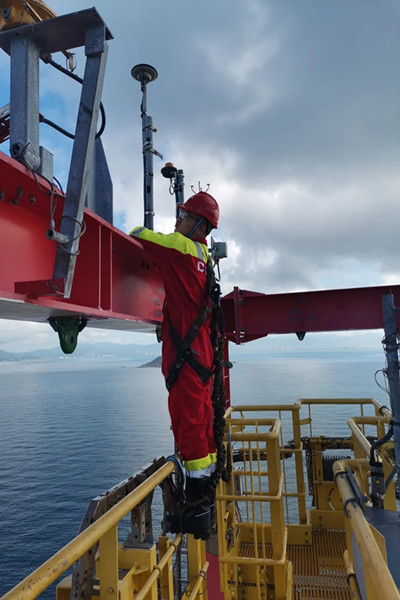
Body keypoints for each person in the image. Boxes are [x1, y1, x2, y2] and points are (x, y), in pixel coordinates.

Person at [130, 191, 220, 540]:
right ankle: (205, 489)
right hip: (201, 355)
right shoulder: (204, 259)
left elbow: (139, 235)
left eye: (184, 215)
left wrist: (157, 234)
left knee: (189, 422)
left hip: (188, 358)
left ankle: (197, 502)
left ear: (199, 225)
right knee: (203, 420)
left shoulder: (181, 248)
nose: (177, 220)